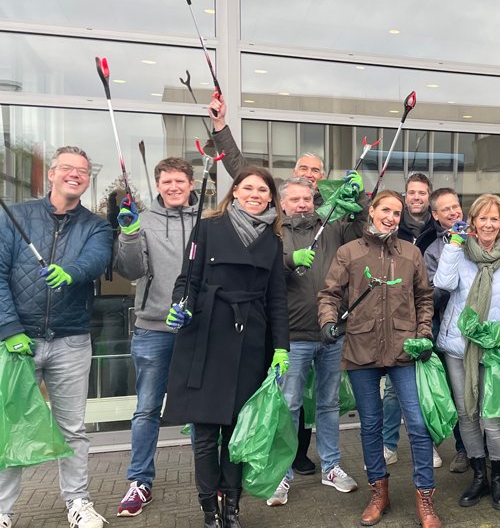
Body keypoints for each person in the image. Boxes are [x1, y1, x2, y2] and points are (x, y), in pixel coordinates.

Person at [163, 166, 290, 528]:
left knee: (238, 433)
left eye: (262, 190)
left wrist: (281, 348)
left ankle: (232, 507)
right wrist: (181, 306)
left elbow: (276, 300)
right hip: (205, 334)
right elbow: (188, 278)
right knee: (204, 433)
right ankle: (209, 511)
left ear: (270, 198)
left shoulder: (273, 240)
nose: (255, 194)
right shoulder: (207, 227)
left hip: (251, 341)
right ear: (234, 191)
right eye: (247, 187)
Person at [208, 95, 324, 475]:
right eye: (304, 169)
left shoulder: (329, 210)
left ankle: (304, 455)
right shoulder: (272, 214)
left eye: (316, 171)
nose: (309, 175)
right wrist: (221, 128)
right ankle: (279, 464)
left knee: (314, 401)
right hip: (279, 325)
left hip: (322, 327)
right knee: (286, 399)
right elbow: (241, 170)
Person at [0, 146, 112, 528]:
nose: (75, 175)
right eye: (68, 168)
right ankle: (2, 509)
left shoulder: (95, 225)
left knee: (73, 429)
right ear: (51, 174)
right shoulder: (16, 216)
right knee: (11, 425)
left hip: (70, 340)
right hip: (20, 342)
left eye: (83, 170)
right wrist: (9, 329)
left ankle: (78, 502)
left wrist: (71, 272)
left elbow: (96, 260)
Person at [317, 190, 441, 528]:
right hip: (361, 348)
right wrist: (328, 321)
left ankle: (425, 497)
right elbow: (329, 293)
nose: (391, 216)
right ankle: (378, 492)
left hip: (403, 348)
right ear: (371, 211)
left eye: (397, 212)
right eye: (385, 209)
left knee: (417, 424)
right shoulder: (349, 252)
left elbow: (424, 298)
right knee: (370, 425)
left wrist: (425, 334)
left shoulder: (411, 253)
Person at [265, 175, 368, 507]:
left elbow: (361, 233)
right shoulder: (274, 233)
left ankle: (332, 466)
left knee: (328, 403)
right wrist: (287, 260)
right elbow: (262, 270)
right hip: (292, 334)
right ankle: (282, 472)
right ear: (282, 204)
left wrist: (359, 203)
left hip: (330, 331)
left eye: (307, 199)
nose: (302, 204)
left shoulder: (331, 227)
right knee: (289, 406)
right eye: (295, 200)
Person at [112, 157, 200, 518]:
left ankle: (207, 481)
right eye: (167, 182)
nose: (174, 187)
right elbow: (131, 270)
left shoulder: (206, 222)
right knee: (147, 408)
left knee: (198, 410)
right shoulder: (143, 220)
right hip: (153, 329)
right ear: (158, 185)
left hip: (196, 329)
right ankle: (139, 482)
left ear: (192, 184)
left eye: (180, 181)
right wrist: (129, 234)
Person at [435, 194, 500, 511]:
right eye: (483, 218)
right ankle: (479, 476)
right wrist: (452, 244)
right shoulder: (460, 253)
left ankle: (499, 477)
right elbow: (443, 282)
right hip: (457, 347)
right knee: (467, 415)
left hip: (492, 349)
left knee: (491, 418)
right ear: (473, 222)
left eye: (495, 218)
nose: (489, 224)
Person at [384, 172, 442, 470]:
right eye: (412, 192)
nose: (416, 197)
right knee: (395, 388)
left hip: (428, 313)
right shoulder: (392, 227)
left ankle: (428, 443)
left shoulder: (438, 230)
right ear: (405, 196)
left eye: (422, 192)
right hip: (396, 316)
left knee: (426, 383)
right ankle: (388, 444)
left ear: (428, 197)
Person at [421, 188, 470, 474]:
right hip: (450, 328)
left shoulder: (478, 238)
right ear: (436, 216)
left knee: (483, 392)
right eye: (446, 210)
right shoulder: (433, 251)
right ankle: (464, 450)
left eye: (456, 206)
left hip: (480, 327)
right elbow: (431, 295)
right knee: (459, 394)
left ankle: (492, 450)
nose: (453, 212)